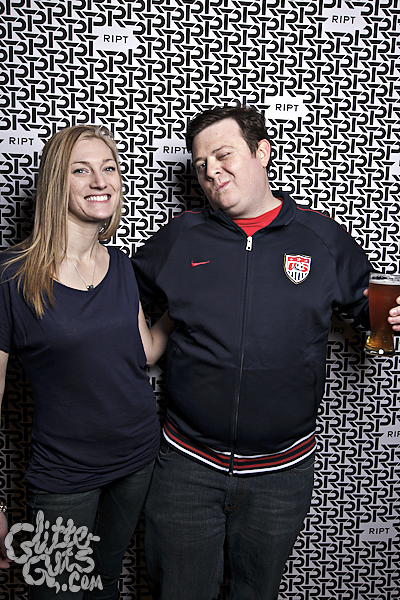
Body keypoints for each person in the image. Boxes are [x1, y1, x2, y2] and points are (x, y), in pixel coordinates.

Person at [132, 105, 400, 600]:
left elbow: (370, 312)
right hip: (187, 467)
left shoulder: (322, 238)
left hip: (281, 473)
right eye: (200, 163)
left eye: (223, 155)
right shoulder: (181, 236)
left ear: (262, 153)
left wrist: (388, 319)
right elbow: (118, 290)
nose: (211, 171)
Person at [0, 125, 172, 599]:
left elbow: (143, 352)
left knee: (106, 581)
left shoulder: (121, 265)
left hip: (137, 458)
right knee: (57, 590)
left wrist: (183, 307)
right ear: (57, 182)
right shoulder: (12, 275)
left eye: (108, 168)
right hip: (64, 473)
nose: (100, 181)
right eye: (81, 170)